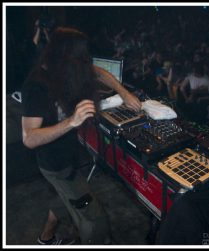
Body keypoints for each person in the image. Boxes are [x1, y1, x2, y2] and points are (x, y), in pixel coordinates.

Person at [21, 27, 141, 245]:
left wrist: (124, 92)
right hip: (55, 165)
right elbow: (29, 138)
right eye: (81, 57)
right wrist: (71, 121)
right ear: (67, 56)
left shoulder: (63, 69)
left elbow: (97, 72)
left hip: (69, 157)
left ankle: (45, 238)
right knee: (96, 220)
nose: (85, 63)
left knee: (62, 199)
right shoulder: (36, 86)